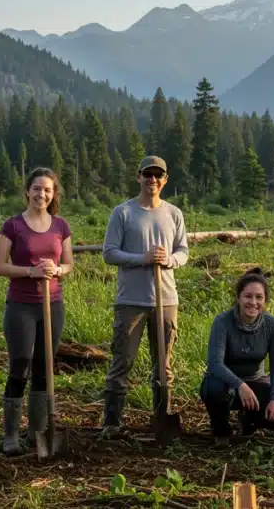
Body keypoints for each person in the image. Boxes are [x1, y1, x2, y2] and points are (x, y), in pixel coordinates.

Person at [99, 155, 190, 437]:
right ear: (138, 177)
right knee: (122, 361)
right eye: (147, 174)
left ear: (165, 180)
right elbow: (109, 253)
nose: (152, 180)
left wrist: (169, 260)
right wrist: (143, 258)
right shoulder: (123, 213)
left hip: (166, 299)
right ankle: (112, 423)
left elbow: (183, 252)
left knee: (163, 364)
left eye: (157, 175)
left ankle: (160, 419)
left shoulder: (174, 214)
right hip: (131, 302)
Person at [0, 167, 74, 456]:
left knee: (44, 368)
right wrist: (30, 271)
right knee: (20, 366)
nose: (42, 194)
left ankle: (37, 431)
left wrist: (57, 269)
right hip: (21, 306)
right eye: (37, 188)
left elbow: (68, 264)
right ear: (27, 191)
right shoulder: (13, 226)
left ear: (54, 195)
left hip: (53, 305)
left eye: (47, 190)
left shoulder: (60, 226)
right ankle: (11, 434)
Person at [199, 267, 274, 445]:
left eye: (259, 297)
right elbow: (215, 364)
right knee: (213, 389)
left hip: (256, 382)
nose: (253, 302)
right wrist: (240, 385)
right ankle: (221, 430)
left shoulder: (272, 325)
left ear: (265, 301)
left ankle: (249, 419)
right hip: (225, 383)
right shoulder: (223, 322)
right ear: (238, 298)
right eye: (248, 296)